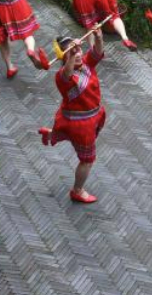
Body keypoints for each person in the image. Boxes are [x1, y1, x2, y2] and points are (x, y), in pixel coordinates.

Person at [39, 29, 106, 204]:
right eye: (71, 52)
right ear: (63, 57)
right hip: (80, 125)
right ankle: (77, 190)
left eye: (78, 50)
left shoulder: (85, 63)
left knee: (86, 152)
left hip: (92, 117)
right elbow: (67, 74)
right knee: (87, 160)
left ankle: (53, 133)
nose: (77, 54)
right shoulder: (61, 76)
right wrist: (70, 55)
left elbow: (97, 52)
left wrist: (98, 38)